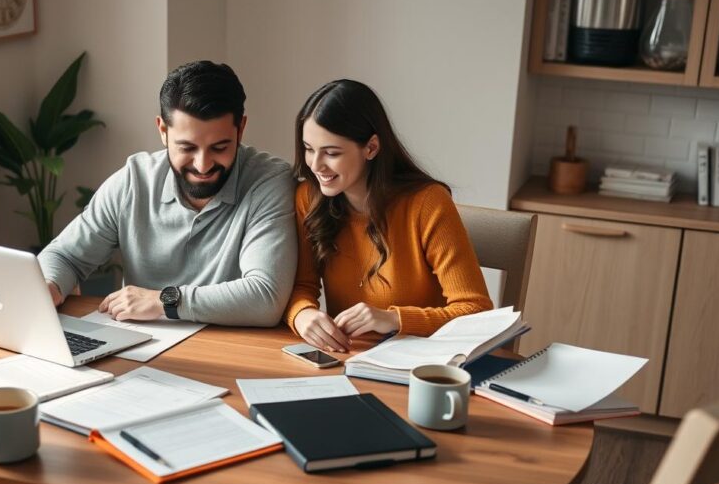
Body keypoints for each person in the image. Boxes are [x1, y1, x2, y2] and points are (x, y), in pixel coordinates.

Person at [38, 61, 296, 326]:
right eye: (187, 147)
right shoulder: (133, 181)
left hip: (229, 352)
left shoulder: (269, 181)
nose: (202, 165)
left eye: (219, 147)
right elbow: (64, 256)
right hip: (141, 349)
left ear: (240, 129)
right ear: (163, 131)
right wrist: (50, 286)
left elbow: (265, 297)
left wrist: (164, 301)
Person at [284, 79, 492, 353]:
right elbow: (301, 285)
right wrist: (302, 315)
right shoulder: (308, 199)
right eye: (309, 149)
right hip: (347, 359)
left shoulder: (428, 204)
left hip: (422, 365)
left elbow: (476, 312)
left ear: (371, 148)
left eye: (331, 153)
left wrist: (394, 319)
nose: (316, 165)